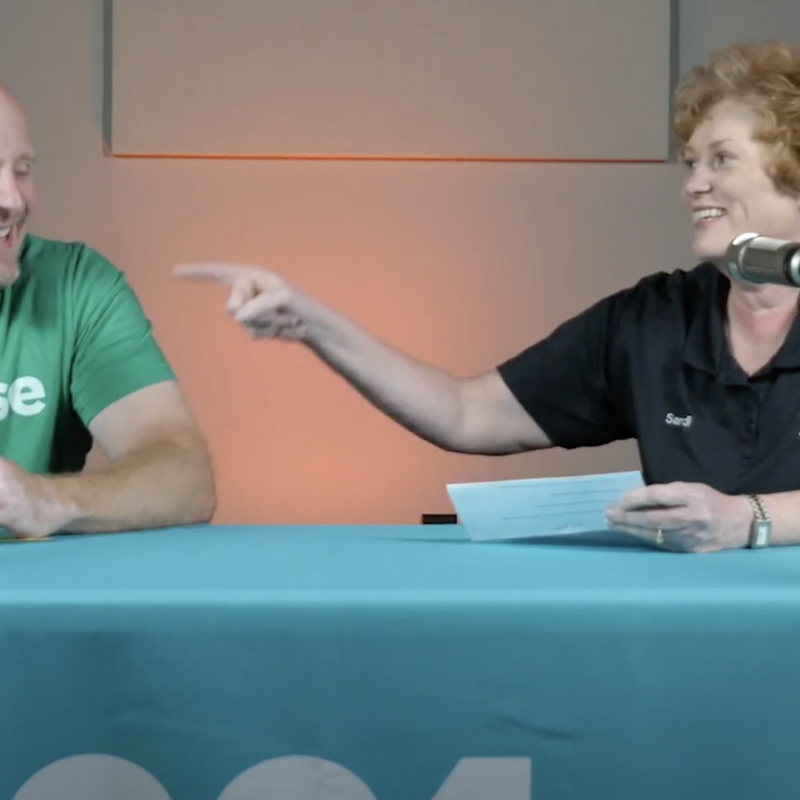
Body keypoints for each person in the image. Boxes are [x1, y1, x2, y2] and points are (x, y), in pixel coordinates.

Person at [176, 40, 800, 554]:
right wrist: (314, 323)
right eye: (690, 163)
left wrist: (748, 520)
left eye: (721, 160)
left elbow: (743, 518)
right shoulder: (651, 320)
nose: (693, 184)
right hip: (689, 632)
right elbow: (466, 413)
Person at [0, 82, 215, 539]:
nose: (12, 201)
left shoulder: (77, 285)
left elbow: (185, 477)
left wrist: (44, 500)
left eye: (21, 171)